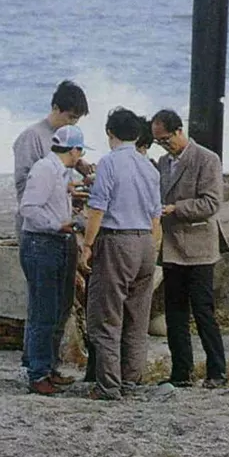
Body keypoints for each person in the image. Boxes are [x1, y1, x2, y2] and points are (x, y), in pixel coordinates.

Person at [12, 79, 92, 382]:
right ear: (56, 108)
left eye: (76, 119)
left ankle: (47, 365)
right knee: (42, 306)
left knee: (59, 305)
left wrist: (69, 187)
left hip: (58, 229)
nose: (72, 123)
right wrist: (55, 211)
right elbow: (27, 192)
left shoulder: (63, 150)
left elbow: (58, 180)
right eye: (70, 117)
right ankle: (35, 367)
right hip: (39, 232)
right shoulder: (32, 138)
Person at [80, 107, 162, 401]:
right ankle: (131, 380)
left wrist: (87, 246)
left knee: (106, 316)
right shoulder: (149, 167)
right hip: (145, 242)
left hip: (117, 240)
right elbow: (156, 215)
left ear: (110, 132)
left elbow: (98, 208)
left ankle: (108, 385)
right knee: (137, 319)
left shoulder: (109, 163)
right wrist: (153, 247)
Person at [151, 109, 228, 389]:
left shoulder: (207, 159)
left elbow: (211, 203)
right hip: (172, 247)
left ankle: (217, 371)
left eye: (166, 139)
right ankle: (181, 372)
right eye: (158, 141)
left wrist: (176, 208)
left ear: (179, 131)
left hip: (199, 248)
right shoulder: (162, 162)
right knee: (175, 314)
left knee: (204, 312)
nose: (164, 145)